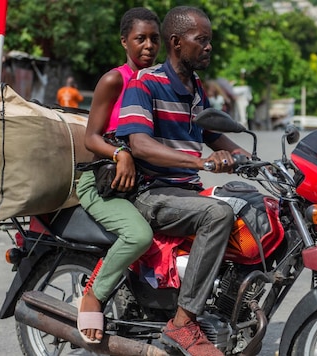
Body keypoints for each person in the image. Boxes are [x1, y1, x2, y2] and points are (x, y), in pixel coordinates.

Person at [116, 6, 249, 356]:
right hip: (152, 192)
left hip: (183, 191)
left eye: (209, 40)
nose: (208, 47)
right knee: (217, 214)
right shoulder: (146, 83)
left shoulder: (195, 88)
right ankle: (183, 321)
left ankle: (233, 307)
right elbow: (139, 143)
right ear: (176, 42)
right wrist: (199, 160)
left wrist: (246, 156)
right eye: (200, 40)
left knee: (251, 204)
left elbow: (208, 132)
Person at [75, 7, 161, 344]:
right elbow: (91, 137)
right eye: (140, 38)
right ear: (125, 41)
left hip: (141, 184)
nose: (148, 46)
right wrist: (119, 153)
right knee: (139, 236)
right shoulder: (115, 79)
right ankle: (94, 295)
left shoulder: (160, 83)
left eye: (154, 39)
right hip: (103, 184)